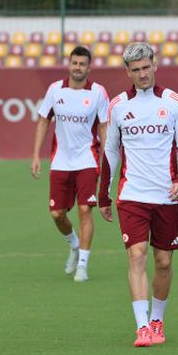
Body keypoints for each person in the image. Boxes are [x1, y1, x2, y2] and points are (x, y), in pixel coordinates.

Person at [97, 42, 178, 348]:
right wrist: (103, 194)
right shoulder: (118, 106)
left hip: (166, 196)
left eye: (146, 67)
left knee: (163, 261)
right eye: (136, 69)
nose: (142, 74)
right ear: (128, 72)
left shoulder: (174, 101)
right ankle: (142, 328)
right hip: (132, 195)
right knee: (136, 255)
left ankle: (157, 320)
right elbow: (111, 150)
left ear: (154, 65)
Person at [31, 45, 109, 283]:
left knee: (85, 209)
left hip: (87, 159)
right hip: (60, 161)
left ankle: (82, 265)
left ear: (89, 68)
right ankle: (74, 245)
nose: (78, 67)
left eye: (82, 64)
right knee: (57, 214)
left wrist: (107, 160)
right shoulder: (55, 90)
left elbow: (104, 127)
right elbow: (43, 121)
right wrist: (36, 155)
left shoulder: (98, 92)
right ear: (69, 65)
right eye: (74, 63)